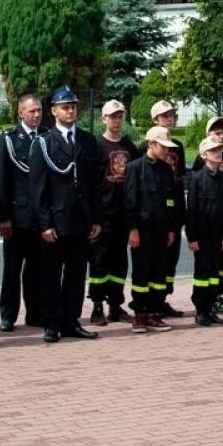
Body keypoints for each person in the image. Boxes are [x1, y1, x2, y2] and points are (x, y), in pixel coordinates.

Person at [27, 86, 101, 343]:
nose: (70, 111)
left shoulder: (87, 140)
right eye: (65, 107)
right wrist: (44, 223)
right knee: (50, 274)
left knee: (76, 273)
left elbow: (94, 185)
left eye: (73, 106)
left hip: (81, 220)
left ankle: (71, 319)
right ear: (54, 111)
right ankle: (51, 322)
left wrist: (96, 219)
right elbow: (37, 189)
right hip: (56, 221)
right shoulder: (44, 143)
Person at [0, 92, 45, 332]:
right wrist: (3, 216)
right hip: (16, 217)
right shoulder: (7, 140)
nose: (36, 115)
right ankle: (8, 315)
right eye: (31, 111)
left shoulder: (46, 136)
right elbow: (2, 180)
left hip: (40, 217)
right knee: (12, 270)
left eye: (39, 111)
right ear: (20, 113)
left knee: (36, 270)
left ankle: (35, 313)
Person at [123, 125, 179, 334]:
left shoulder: (166, 169)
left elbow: (171, 201)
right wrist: (132, 230)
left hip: (162, 229)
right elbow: (129, 202)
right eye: (162, 146)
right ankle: (139, 314)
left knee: (159, 272)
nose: (167, 151)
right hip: (142, 230)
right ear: (151, 144)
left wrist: (172, 229)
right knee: (141, 272)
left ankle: (154, 313)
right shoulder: (134, 168)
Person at [89, 99, 136, 327]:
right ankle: (97, 305)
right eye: (112, 116)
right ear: (103, 119)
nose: (116, 120)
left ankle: (116, 305)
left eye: (120, 116)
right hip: (103, 213)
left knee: (119, 260)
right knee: (99, 260)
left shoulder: (129, 147)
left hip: (123, 213)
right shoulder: (96, 145)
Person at [190, 115, 223, 314]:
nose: (221, 137)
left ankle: (218, 294)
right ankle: (205, 301)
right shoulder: (200, 163)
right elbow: (195, 200)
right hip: (206, 221)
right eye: (217, 133)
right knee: (206, 263)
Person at [144, 99, 187, 318]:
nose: (169, 119)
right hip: (153, 212)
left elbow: (179, 179)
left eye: (171, 115)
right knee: (153, 260)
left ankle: (163, 298)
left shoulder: (177, 146)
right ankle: (150, 303)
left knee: (171, 258)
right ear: (155, 120)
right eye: (164, 116)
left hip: (174, 208)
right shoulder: (148, 146)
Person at [187, 136, 223, 326]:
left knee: (214, 272)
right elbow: (191, 209)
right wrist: (192, 237)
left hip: (217, 235)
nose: (218, 153)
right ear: (204, 155)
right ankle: (200, 310)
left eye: (220, 150)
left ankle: (211, 307)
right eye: (214, 151)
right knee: (202, 273)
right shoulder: (197, 178)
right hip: (202, 235)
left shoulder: (222, 178)